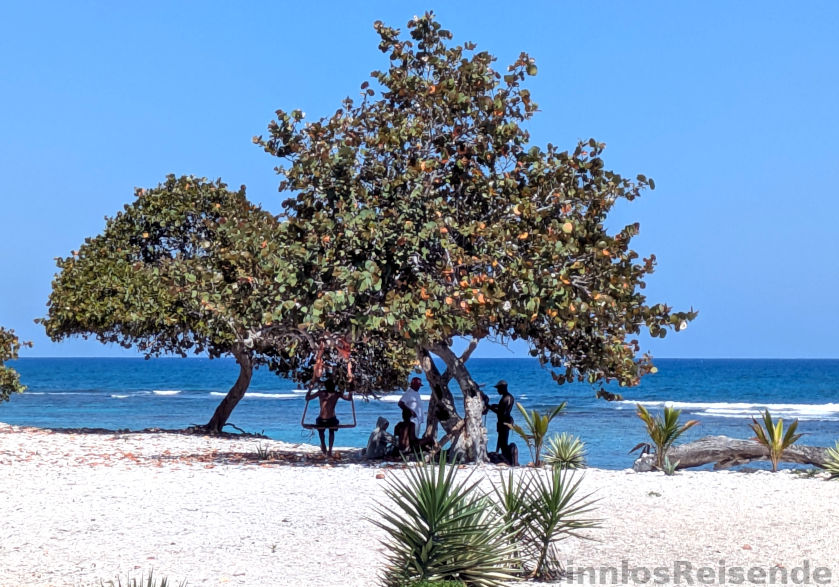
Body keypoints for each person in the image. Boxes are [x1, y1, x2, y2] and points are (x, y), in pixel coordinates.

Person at [305, 378, 352, 457]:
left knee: (324, 430)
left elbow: (307, 398)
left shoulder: (322, 393)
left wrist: (310, 390)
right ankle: (327, 448)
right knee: (330, 431)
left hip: (324, 419)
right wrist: (350, 390)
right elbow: (349, 398)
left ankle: (325, 446)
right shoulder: (336, 394)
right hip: (330, 419)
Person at [488, 379, 515, 457]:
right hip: (504, 422)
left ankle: (505, 457)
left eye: (499, 389)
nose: (498, 391)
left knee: (503, 442)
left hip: (504, 422)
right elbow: (502, 407)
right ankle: (499, 453)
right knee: (501, 440)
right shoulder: (508, 397)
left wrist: (489, 407)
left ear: (503, 388)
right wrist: (495, 405)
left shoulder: (506, 398)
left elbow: (501, 412)